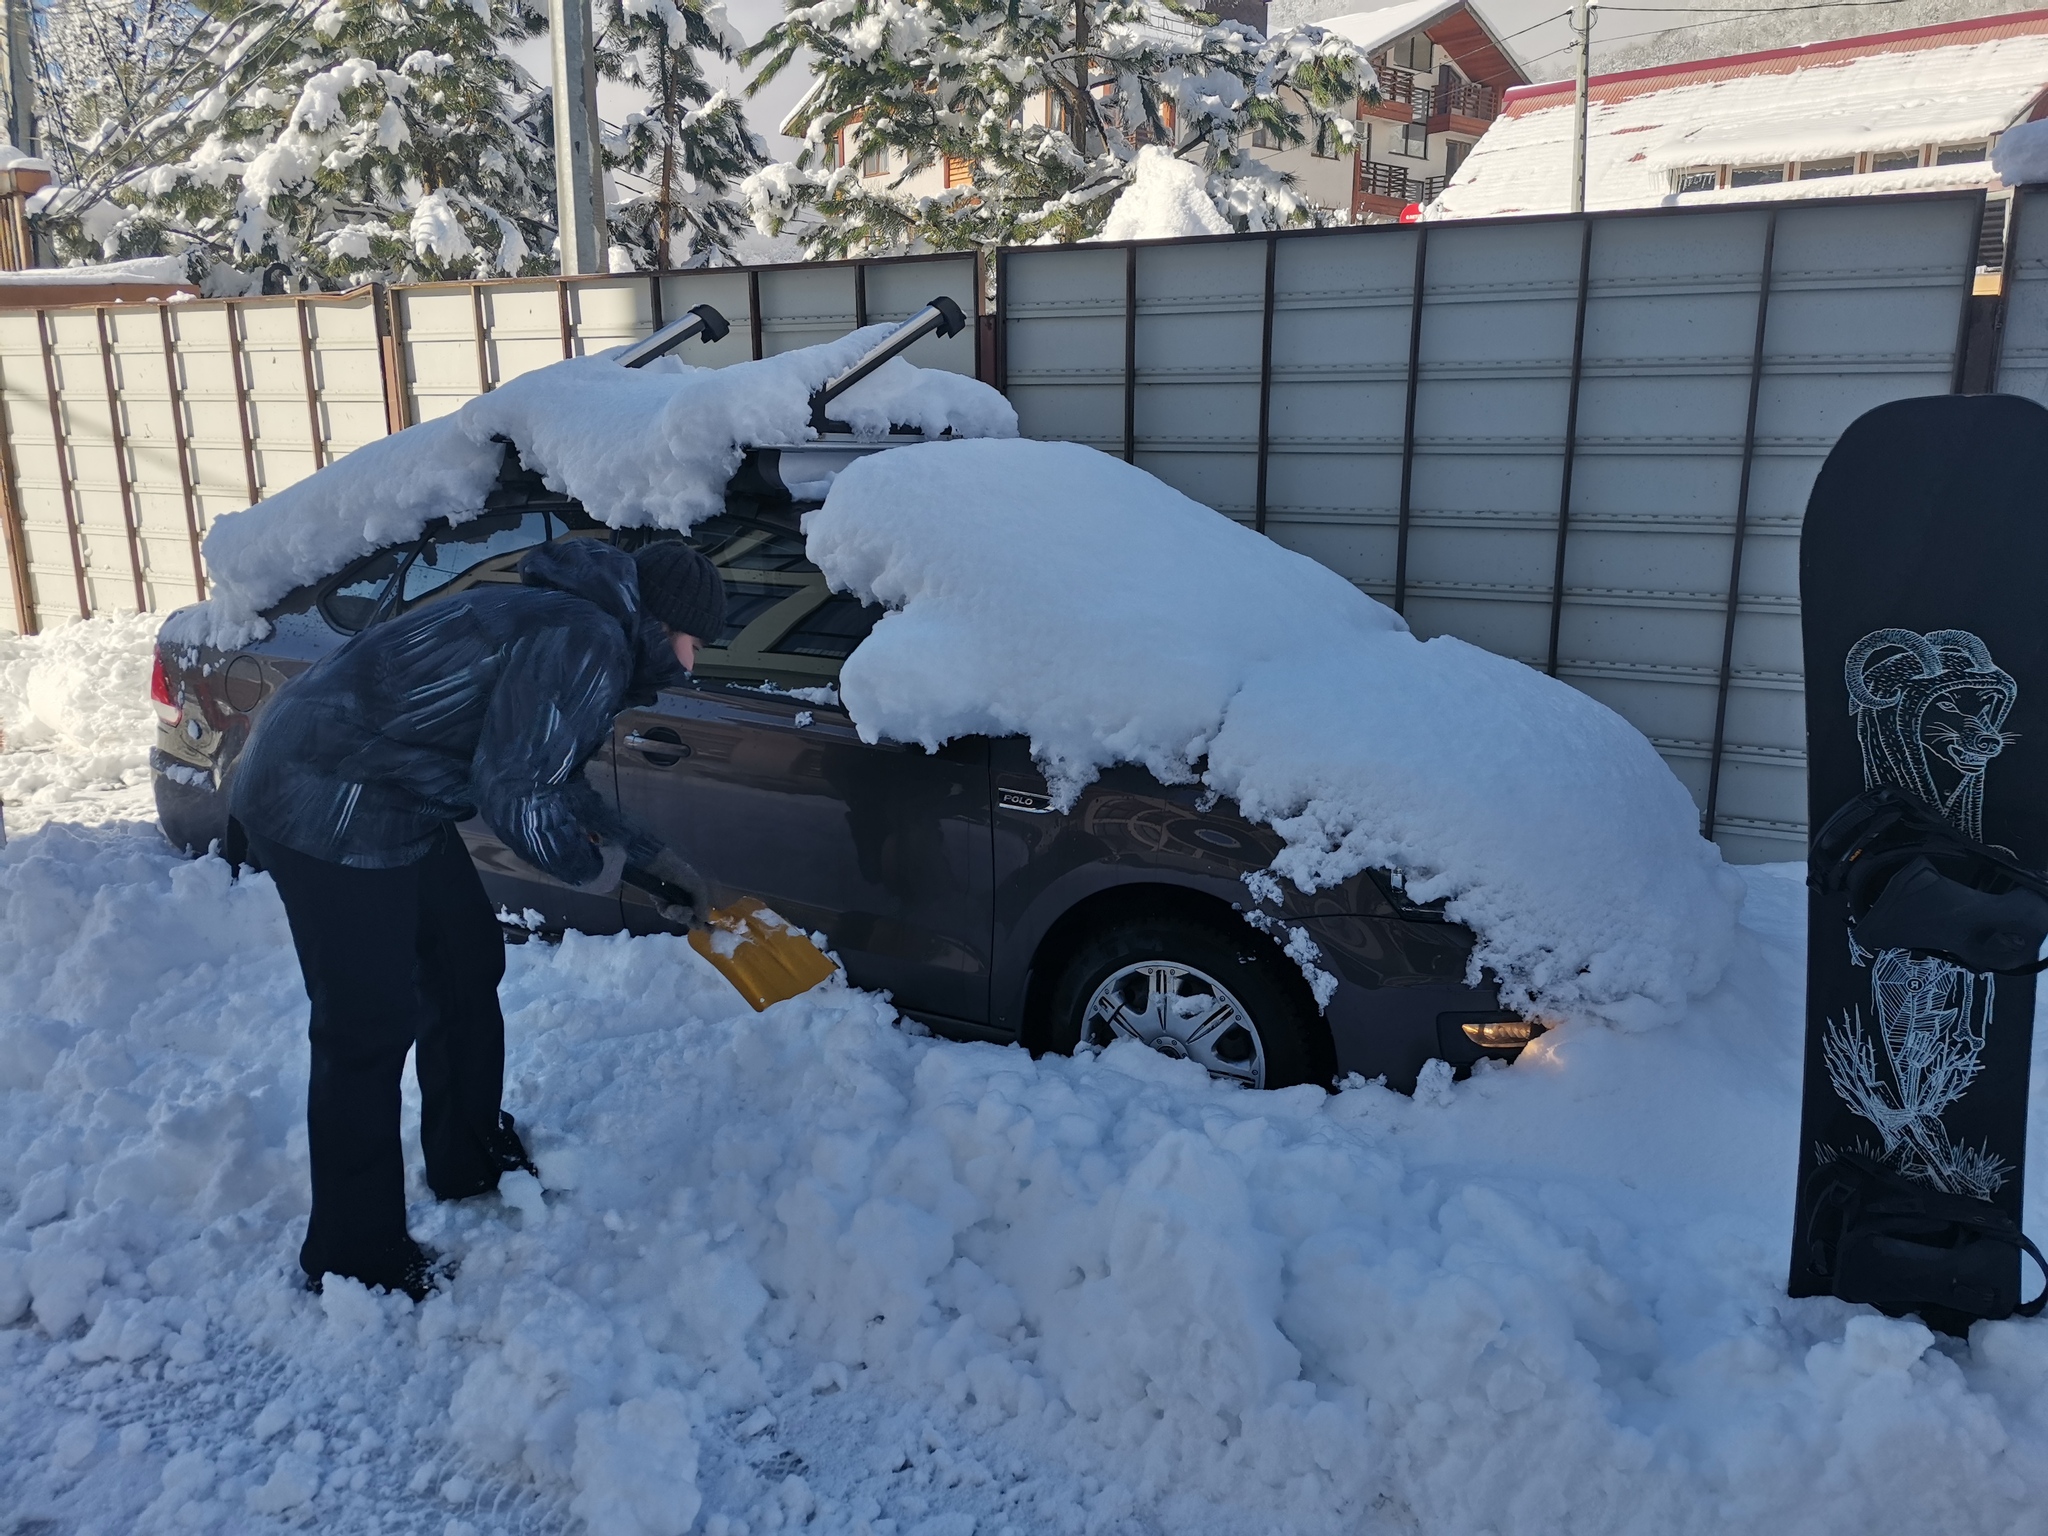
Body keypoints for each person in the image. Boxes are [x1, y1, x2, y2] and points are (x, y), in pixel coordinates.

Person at [230, 537, 725, 1299]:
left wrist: (647, 852)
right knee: (366, 1026)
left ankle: (466, 1152)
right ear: (660, 624)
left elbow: (549, 771)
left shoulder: (578, 627)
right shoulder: (584, 638)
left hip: (391, 792)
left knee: (464, 961)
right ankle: (353, 1252)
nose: (691, 664)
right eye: (693, 641)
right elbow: (518, 794)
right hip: (321, 797)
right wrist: (610, 873)